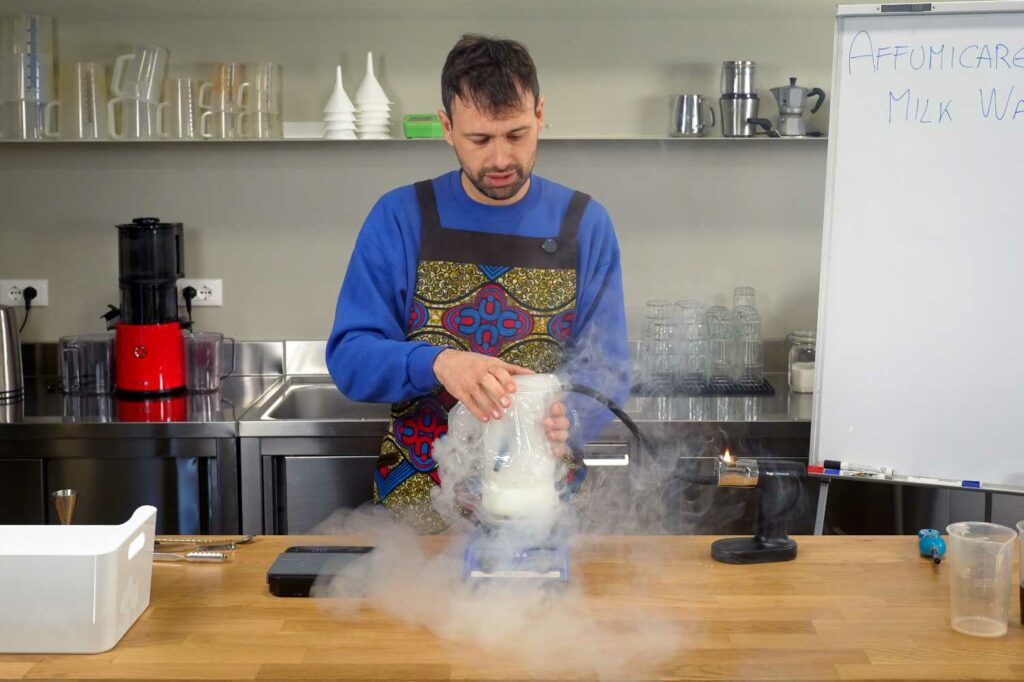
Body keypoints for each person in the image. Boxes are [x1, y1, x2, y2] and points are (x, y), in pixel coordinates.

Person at [327, 34, 629, 533]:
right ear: (447, 127)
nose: (501, 159)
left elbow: (609, 367)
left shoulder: (584, 224)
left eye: (516, 134)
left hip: (543, 502)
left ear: (540, 115)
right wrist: (440, 362)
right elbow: (350, 357)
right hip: (419, 508)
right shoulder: (400, 218)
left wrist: (568, 419)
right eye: (480, 140)